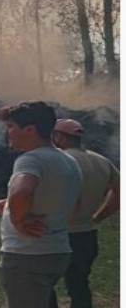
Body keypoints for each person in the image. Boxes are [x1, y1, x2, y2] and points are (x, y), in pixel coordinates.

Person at [0, 101, 82, 308]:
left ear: (30, 129)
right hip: (57, 251)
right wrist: (9, 205)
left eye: (11, 127)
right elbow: (74, 204)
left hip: (27, 256)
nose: (8, 133)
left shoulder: (30, 160)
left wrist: (18, 220)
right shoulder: (68, 161)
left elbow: (22, 190)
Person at [49, 119, 120, 308]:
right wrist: (98, 216)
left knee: (44, 284)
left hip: (57, 234)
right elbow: (120, 190)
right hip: (86, 235)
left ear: (60, 137)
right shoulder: (101, 161)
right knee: (79, 285)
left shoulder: (58, 160)